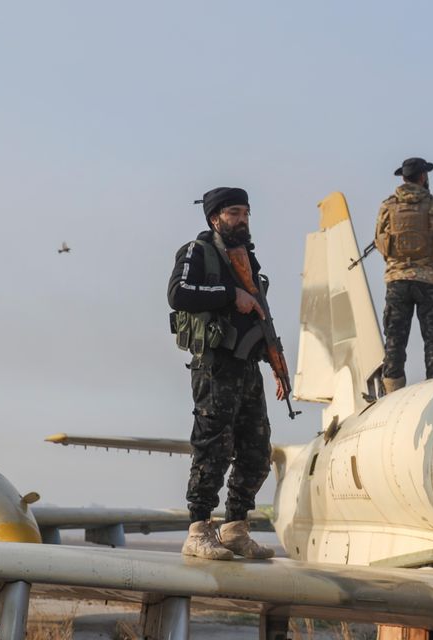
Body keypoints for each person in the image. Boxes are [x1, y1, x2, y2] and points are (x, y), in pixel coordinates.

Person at [167, 186, 283, 560]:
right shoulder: (198, 252)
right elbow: (178, 293)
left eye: (246, 213)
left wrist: (277, 366)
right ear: (215, 217)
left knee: (256, 450)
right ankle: (199, 528)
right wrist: (230, 296)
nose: (243, 219)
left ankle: (235, 528)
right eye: (234, 213)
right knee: (213, 446)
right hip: (215, 366)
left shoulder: (247, 260)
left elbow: (261, 314)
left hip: (249, 367)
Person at [374, 157, 433, 394]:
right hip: (430, 282)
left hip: (397, 282)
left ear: (403, 178)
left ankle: (392, 394)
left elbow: (379, 241)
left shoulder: (387, 206)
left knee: (394, 341)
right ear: (423, 177)